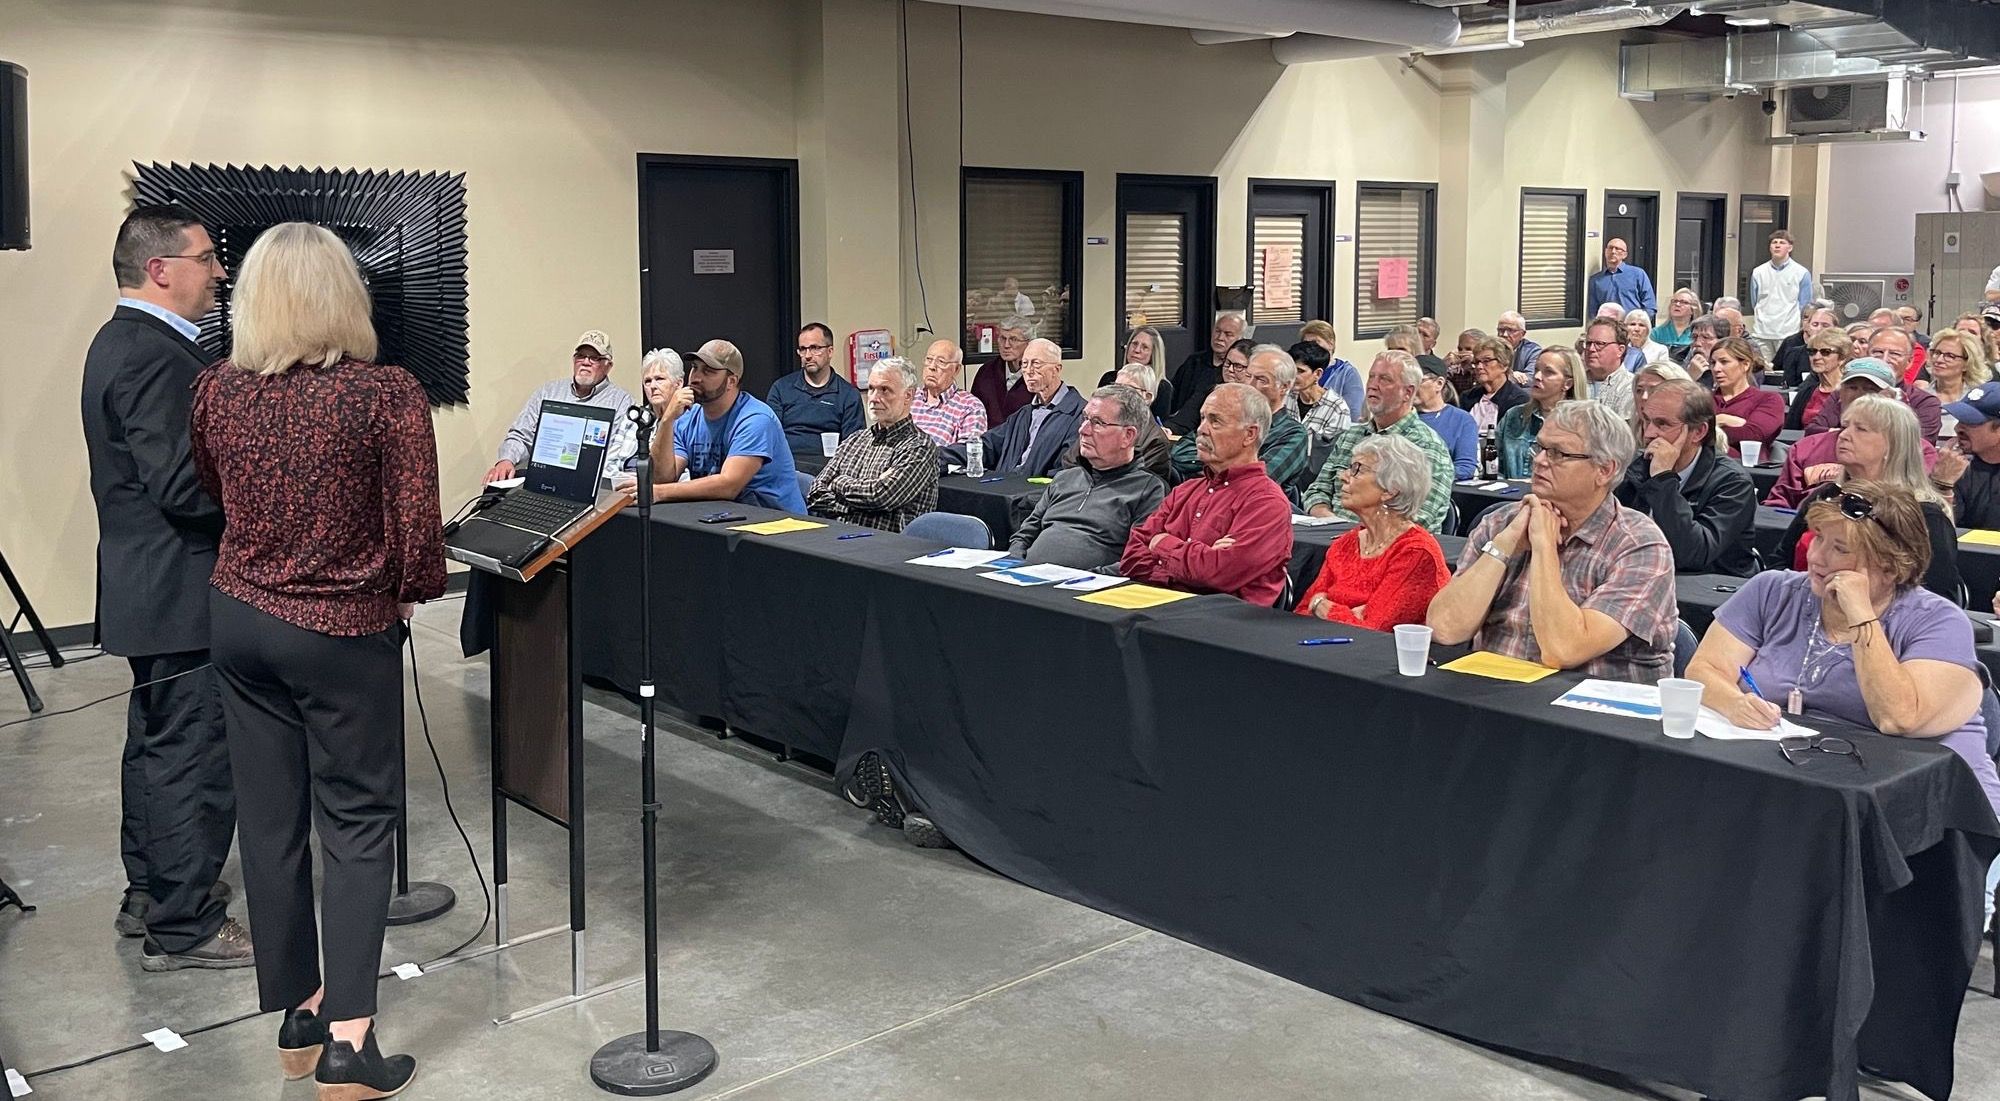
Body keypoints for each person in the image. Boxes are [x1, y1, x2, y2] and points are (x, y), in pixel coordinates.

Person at [190, 222, 445, 1096]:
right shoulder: (387, 393)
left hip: (239, 618)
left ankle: (298, 1012)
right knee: (360, 822)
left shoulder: (217, 390)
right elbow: (415, 529)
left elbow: (217, 494)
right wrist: (406, 589)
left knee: (269, 821)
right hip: (340, 630)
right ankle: (349, 1043)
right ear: (347, 296)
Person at [80, 203, 247, 970]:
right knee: (192, 755)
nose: (220, 271)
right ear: (161, 269)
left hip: (145, 588)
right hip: (180, 589)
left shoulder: (118, 342)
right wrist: (264, 498)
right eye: (208, 257)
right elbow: (183, 487)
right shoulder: (156, 356)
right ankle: (185, 925)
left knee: (155, 746)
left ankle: (149, 893)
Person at [1686, 480, 2000, 821]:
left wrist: (1861, 615)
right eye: (1818, 537)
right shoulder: (1772, 591)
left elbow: (1897, 716)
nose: (1817, 557)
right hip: (1804, 786)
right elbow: (1704, 670)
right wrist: (1734, 704)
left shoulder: (1938, 621)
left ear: (1891, 565)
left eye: (1840, 549)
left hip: (1924, 807)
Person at [1428, 400, 1677, 680]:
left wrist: (1544, 545)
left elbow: (1563, 650)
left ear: (1604, 470)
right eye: (1541, 447)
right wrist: (1504, 545)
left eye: (1558, 453)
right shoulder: (1502, 523)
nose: (1539, 460)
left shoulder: (1639, 544)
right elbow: (1444, 629)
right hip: (1495, 698)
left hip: (1588, 712)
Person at [1774, 394, 1961, 602]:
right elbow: (1781, 560)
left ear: (1893, 445)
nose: (1844, 435)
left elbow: (1938, 599)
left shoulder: (1925, 515)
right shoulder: (1827, 496)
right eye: (1844, 426)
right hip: (1803, 607)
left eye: (1861, 429)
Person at [1121, 383, 1294, 605]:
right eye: (1202, 418)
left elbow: (1219, 574)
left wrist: (1162, 545)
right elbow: (1132, 557)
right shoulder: (1184, 491)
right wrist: (1195, 565)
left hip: (1225, 624)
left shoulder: (1266, 502)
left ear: (1250, 434)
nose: (1201, 429)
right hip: (1163, 608)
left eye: (1215, 421)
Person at [630, 338, 806, 511]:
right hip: (723, 516)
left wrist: (659, 492)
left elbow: (728, 485)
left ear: (731, 381)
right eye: (694, 368)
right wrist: (667, 421)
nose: (696, 377)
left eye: (708, 371)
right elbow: (661, 479)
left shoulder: (756, 418)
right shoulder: (687, 418)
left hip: (776, 522)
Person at [1294, 435, 1450, 630]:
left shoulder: (1416, 553)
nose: (1343, 476)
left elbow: (1374, 629)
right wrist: (1344, 613)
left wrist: (1324, 607)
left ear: (1390, 490)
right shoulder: (1346, 544)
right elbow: (1302, 611)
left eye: (1357, 469)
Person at [1011, 385, 1166, 570]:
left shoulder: (1148, 489)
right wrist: (1015, 563)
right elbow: (1023, 536)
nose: (1083, 430)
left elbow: (1137, 559)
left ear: (1128, 436)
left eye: (1098, 422)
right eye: (1085, 418)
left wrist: (1085, 579)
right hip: (1025, 580)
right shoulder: (1065, 479)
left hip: (1085, 588)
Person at [1301, 352, 1457, 533]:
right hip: (1332, 535)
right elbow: (1316, 491)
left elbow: (1420, 517)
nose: (1373, 386)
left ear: (1408, 392)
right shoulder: (1351, 436)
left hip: (1393, 550)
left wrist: (1353, 533)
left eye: (1385, 379)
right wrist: (1329, 520)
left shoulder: (1426, 446)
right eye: (1371, 377)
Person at [1616, 380, 1758, 576]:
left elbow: (1693, 554)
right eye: (1646, 420)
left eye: (1662, 424)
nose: (1648, 434)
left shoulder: (1732, 482)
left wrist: (1663, 480)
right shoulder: (1637, 467)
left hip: (1709, 590)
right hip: (1643, 575)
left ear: (1698, 432)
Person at [804, 356, 938, 532]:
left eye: (885, 390)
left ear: (908, 395)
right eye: (871, 389)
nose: (874, 398)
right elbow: (815, 495)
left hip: (886, 549)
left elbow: (880, 496)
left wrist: (838, 482)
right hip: (838, 539)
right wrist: (861, 501)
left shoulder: (919, 447)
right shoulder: (855, 440)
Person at [485, 330, 637, 484]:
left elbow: (616, 457)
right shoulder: (548, 392)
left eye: (594, 358)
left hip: (590, 483)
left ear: (608, 366)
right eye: (580, 356)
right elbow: (521, 435)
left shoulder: (622, 402)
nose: (585, 362)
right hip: (543, 477)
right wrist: (506, 460)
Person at [1167, 345, 1309, 495]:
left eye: (1261, 379)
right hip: (1206, 501)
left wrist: (1212, 463)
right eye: (1248, 376)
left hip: (1256, 509)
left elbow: (1255, 480)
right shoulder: (1229, 415)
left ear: (1284, 387)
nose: (1251, 385)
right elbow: (1180, 452)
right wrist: (1219, 465)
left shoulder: (1293, 434)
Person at [942, 338, 1083, 479]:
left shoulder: (1079, 414)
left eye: (1036, 364)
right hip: (1003, 488)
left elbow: (1067, 470)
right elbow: (986, 445)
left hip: (1037, 495)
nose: (1028, 371)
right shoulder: (1024, 414)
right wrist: (938, 455)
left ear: (1056, 369)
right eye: (1025, 364)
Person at [1805, 328, 1942, 443]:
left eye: (1894, 354)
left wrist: (1840, 433)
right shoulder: (1846, 391)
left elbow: (1918, 445)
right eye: (1878, 352)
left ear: (1910, 361)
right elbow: (1812, 431)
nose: (1884, 359)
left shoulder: (1924, 402)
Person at [765, 322, 864, 463]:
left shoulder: (848, 395)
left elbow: (854, 448)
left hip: (829, 471)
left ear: (830, 352)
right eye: (803, 349)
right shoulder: (781, 388)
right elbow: (769, 436)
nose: (808, 355)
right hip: (787, 468)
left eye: (815, 348)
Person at [1057, 363, 1172, 482]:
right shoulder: (1091, 424)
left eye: (1127, 390)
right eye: (1116, 387)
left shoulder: (1155, 441)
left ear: (1147, 397)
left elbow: (1143, 484)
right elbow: (1069, 462)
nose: (1118, 395)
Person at [1496, 347, 1589, 478]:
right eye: (1536, 370)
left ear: (1568, 383)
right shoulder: (1514, 416)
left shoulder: (1583, 423)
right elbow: (1496, 466)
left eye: (1548, 372)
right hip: (1512, 495)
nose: (1537, 376)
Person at [1166, 311, 1248, 432]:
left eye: (1228, 334)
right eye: (1217, 331)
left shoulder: (1232, 376)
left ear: (1241, 339)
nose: (1220, 338)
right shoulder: (1194, 362)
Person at [1934, 386, 2000, 531]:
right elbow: (1938, 533)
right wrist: (1942, 484)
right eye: (1959, 420)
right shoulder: (1955, 467)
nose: (1958, 428)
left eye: (1971, 422)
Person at [1708, 337, 1784, 460]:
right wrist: (1723, 420)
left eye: (1724, 362)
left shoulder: (1769, 400)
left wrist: (1709, 428)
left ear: (1745, 365)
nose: (1716, 369)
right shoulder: (1703, 400)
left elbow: (1753, 435)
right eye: (1713, 363)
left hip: (1749, 470)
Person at [1746, 230, 1813, 363]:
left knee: (1784, 368)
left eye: (1782, 242)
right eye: (1774, 242)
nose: (1777, 245)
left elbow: (1805, 305)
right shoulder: (1758, 272)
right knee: (1762, 368)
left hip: (1787, 332)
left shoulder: (1801, 273)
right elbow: (1755, 301)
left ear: (1790, 247)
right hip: (1762, 332)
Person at [910, 338, 988, 446]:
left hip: (940, 462)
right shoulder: (909, 398)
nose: (932, 367)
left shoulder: (970, 406)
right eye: (929, 359)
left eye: (941, 362)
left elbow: (967, 452)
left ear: (956, 369)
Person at [1095, 325, 1175, 420]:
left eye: (1144, 347)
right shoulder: (1109, 378)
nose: (1136, 350)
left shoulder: (1162, 387)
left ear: (1153, 354)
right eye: (1134, 344)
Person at [1416, 359, 1478, 479]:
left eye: (1418, 381)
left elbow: (1465, 468)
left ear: (1439, 383)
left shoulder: (1462, 420)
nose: (1410, 387)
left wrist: (1421, 476)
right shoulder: (1400, 418)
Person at [969, 315, 1035, 425]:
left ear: (1028, 343)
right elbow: (972, 412)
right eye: (1003, 338)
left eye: (1013, 339)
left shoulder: (1036, 375)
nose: (1006, 345)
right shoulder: (986, 372)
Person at [1459, 334, 1529, 433]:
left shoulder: (1518, 401)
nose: (1479, 367)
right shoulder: (1467, 397)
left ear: (1504, 364)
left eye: (1486, 361)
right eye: (1477, 362)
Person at [1287, 341, 1353, 445]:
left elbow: (1335, 451)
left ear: (1317, 374)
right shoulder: (1285, 397)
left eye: (1300, 371)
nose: (1293, 375)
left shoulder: (1337, 409)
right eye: (1291, 370)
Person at [630, 349, 685, 470]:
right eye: (647, 381)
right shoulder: (635, 417)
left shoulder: (689, 420)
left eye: (659, 379)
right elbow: (613, 462)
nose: (653, 386)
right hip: (622, 483)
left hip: (663, 486)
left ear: (679, 383)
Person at [1786, 328, 1850, 431]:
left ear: (1842, 358)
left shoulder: (1850, 392)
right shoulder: (1806, 391)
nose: (1816, 357)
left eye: (1825, 352)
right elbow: (1790, 429)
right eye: (1812, 352)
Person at [1300, 319, 1364, 413]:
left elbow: (1355, 413)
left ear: (1330, 344)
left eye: (1316, 343)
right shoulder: (1300, 372)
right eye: (1306, 344)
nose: (1310, 348)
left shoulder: (1347, 373)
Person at [1923, 326, 1990, 414]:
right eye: (1937, 353)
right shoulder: (1921, 399)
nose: (1939, 360)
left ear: (1966, 364)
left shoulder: (1979, 399)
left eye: (1950, 356)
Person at [1586, 237, 1657, 317]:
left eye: (1618, 249)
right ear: (1605, 252)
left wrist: (1639, 324)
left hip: (1631, 326)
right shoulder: (1595, 280)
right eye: (1610, 248)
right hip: (1608, 327)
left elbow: (1650, 305)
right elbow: (1593, 311)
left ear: (1624, 255)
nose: (1613, 251)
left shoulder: (1638, 274)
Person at [1581, 317, 1635, 417]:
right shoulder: (1576, 381)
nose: (1591, 349)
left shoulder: (1631, 387)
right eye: (1588, 343)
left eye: (1599, 344)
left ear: (1620, 350)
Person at [1774, 305, 1838, 389]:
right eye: (1815, 324)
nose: (1819, 329)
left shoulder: (1844, 353)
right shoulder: (1793, 354)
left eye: (1825, 325)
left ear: (1836, 329)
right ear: (1808, 327)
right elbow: (1790, 388)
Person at [1675, 313, 1731, 385]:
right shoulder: (1675, 360)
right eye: (1694, 337)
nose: (1697, 343)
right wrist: (1690, 376)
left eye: (1706, 337)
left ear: (1722, 341)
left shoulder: (1731, 367)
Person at [1496, 311, 1542, 381]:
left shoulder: (1533, 351)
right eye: (1501, 330)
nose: (1504, 334)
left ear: (1522, 334)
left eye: (1510, 330)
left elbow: (1530, 379)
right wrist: (1511, 375)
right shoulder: (1492, 349)